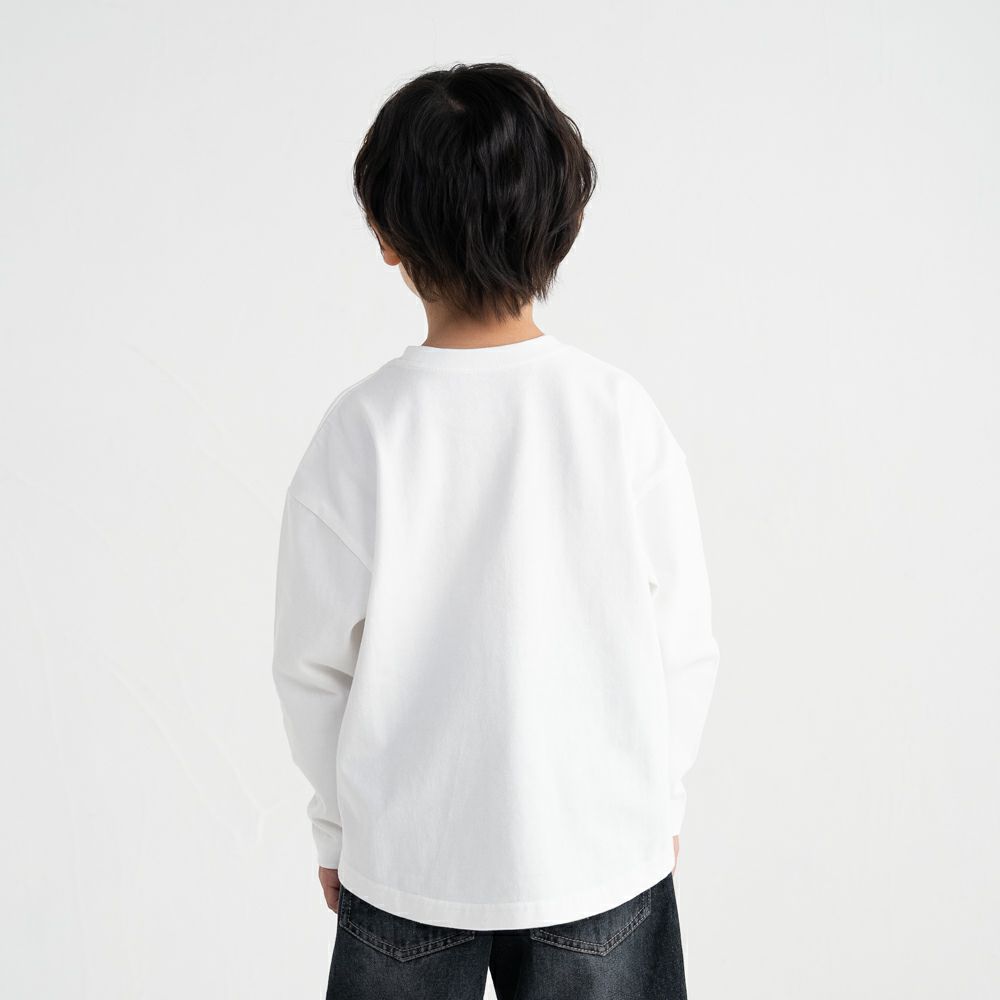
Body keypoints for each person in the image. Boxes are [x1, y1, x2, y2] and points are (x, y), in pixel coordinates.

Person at [271, 61, 720, 1000]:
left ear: (386, 237)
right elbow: (680, 643)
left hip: (409, 856)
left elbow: (312, 667)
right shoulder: (617, 416)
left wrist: (338, 828)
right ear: (565, 222)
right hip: (599, 849)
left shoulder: (361, 433)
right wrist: (660, 795)